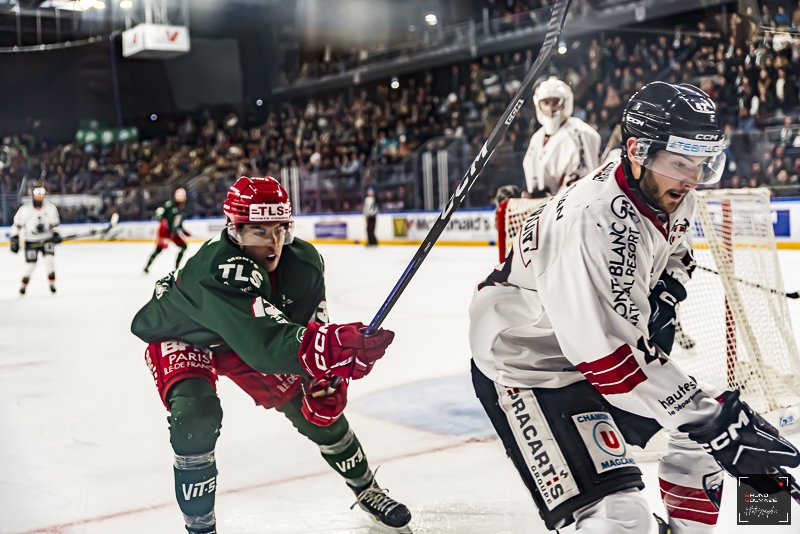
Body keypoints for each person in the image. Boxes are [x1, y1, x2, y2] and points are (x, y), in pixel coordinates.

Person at [469, 83, 799, 533]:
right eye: (681, 161)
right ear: (636, 149)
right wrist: (717, 420)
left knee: (703, 441)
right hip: (529, 364)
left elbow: (679, 253)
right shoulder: (592, 221)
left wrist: (665, 292)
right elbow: (609, 361)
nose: (692, 178)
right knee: (619, 518)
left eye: (703, 163)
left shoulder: (673, 191)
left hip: (591, 351)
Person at [130, 176, 410, 534]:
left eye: (280, 229)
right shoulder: (216, 268)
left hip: (248, 336)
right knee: (195, 416)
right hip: (186, 334)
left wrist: (325, 378)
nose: (273, 244)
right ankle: (201, 529)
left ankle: (367, 488)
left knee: (314, 412)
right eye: (258, 232)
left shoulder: (304, 263)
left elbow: (307, 330)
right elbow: (265, 346)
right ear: (234, 230)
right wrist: (331, 349)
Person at [522, 77, 602, 196]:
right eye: (546, 103)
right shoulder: (537, 138)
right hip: (543, 209)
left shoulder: (580, 132)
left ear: (566, 103)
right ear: (538, 105)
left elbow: (581, 189)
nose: (550, 108)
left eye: (555, 102)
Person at [9, 186, 61, 295]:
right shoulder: (25, 210)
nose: (39, 198)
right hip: (31, 241)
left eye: (41, 195)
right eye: (37, 195)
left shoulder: (50, 208)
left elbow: (55, 224)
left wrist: (56, 233)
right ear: (33, 196)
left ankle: (52, 284)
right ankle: (23, 286)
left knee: (50, 261)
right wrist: (14, 238)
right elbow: (17, 225)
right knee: (30, 265)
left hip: (47, 239)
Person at [144, 188, 192, 274]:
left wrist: (184, 231)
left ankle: (177, 266)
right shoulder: (169, 205)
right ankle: (147, 267)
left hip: (173, 232)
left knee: (184, 247)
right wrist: (163, 224)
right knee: (158, 249)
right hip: (165, 232)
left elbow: (178, 223)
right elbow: (159, 214)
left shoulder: (183, 209)